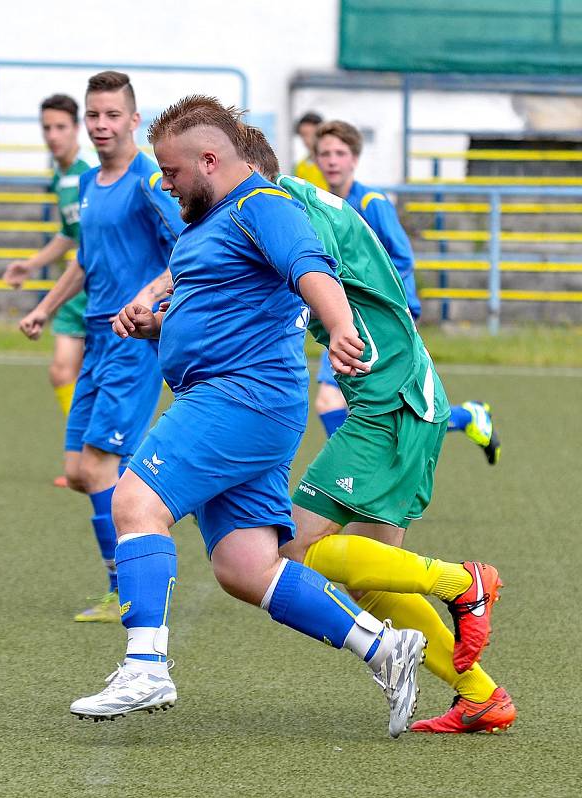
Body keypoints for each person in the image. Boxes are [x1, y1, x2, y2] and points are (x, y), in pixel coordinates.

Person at [69, 95, 428, 739]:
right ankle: (383, 647)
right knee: (246, 567)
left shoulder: (261, 204)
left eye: (173, 172)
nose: (167, 183)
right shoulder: (210, 223)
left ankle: (145, 664)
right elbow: (222, 312)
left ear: (210, 160)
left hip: (239, 396)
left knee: (134, 503)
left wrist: (342, 325)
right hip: (241, 399)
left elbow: (309, 266)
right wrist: (158, 326)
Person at [241, 126, 516, 734]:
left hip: (386, 404)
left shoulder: (283, 211)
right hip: (409, 396)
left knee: (297, 546)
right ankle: (481, 696)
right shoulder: (307, 204)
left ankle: (461, 581)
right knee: (373, 579)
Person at [18, 72, 185, 623]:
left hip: (132, 341)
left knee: (97, 464)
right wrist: (45, 306)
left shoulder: (149, 181)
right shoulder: (89, 181)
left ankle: (130, 590)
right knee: (80, 469)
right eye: (94, 115)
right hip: (93, 337)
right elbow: (85, 260)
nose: (101, 125)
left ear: (134, 120)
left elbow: (187, 251)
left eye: (112, 115)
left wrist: (151, 301)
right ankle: (151, 523)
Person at [312, 120, 501, 465]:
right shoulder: (323, 204)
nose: (332, 160)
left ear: (354, 158)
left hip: (383, 318)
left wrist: (399, 310)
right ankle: (468, 417)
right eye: (325, 153)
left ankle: (354, 474)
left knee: (344, 401)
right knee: (386, 407)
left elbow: (401, 259)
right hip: (349, 319)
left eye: (340, 153)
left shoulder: (371, 202)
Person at [3, 94, 94, 489]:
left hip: (101, 288)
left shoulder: (90, 172)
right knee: (62, 371)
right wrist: (34, 263)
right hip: (76, 288)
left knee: (114, 376)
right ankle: (85, 457)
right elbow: (70, 234)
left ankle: (107, 459)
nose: (53, 135)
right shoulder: (60, 176)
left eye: (61, 127)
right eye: (47, 128)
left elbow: (96, 243)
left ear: (76, 129)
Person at [294, 111, 328, 189]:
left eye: (310, 134)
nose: (306, 139)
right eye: (303, 135)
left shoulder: (334, 162)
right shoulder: (300, 166)